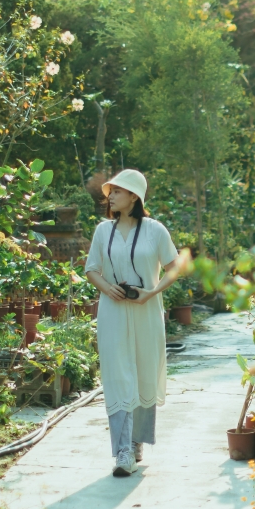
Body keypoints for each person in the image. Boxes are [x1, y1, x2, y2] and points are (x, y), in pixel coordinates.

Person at [83, 169, 188, 477]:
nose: (110, 196)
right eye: (110, 192)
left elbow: (174, 267)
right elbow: (92, 269)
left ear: (134, 196)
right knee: (118, 376)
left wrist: (151, 292)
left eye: (117, 191)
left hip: (146, 310)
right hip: (112, 312)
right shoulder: (103, 230)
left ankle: (137, 439)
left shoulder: (155, 230)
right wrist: (107, 287)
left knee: (143, 372)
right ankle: (123, 451)